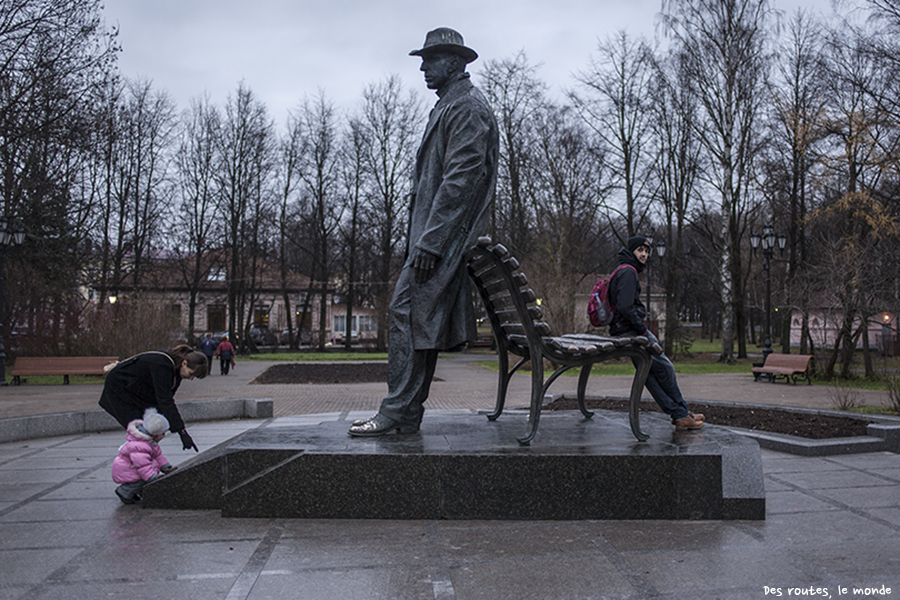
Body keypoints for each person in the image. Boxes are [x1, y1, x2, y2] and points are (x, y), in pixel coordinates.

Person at [349, 28, 499, 437]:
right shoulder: (449, 106)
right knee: (414, 321)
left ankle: (398, 411)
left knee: (404, 315)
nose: (422, 67)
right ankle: (404, 412)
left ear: (454, 61)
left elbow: (460, 181)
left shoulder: (466, 107)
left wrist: (431, 241)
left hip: (443, 241)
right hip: (435, 239)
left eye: (430, 59)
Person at [608, 236, 704, 430]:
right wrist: (643, 328)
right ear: (631, 251)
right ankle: (682, 413)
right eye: (640, 250)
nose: (644, 254)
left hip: (624, 331)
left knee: (649, 374)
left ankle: (681, 414)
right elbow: (625, 307)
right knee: (665, 367)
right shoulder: (628, 272)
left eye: (646, 251)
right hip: (632, 331)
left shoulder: (625, 269)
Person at [99, 344, 207, 452]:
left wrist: (169, 425)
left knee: (151, 427)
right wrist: (182, 432)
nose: (191, 378)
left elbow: (165, 401)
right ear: (184, 363)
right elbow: (165, 400)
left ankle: (148, 460)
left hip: (137, 391)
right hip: (119, 389)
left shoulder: (175, 371)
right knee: (141, 430)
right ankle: (135, 460)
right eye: (191, 374)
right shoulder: (162, 365)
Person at [111, 408, 176, 504]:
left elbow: (158, 456)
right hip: (127, 469)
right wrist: (151, 477)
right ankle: (124, 492)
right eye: (162, 433)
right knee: (140, 480)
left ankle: (139, 492)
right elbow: (142, 466)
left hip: (133, 467)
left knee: (144, 476)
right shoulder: (139, 445)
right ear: (155, 433)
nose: (164, 436)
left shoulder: (149, 442)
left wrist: (165, 466)